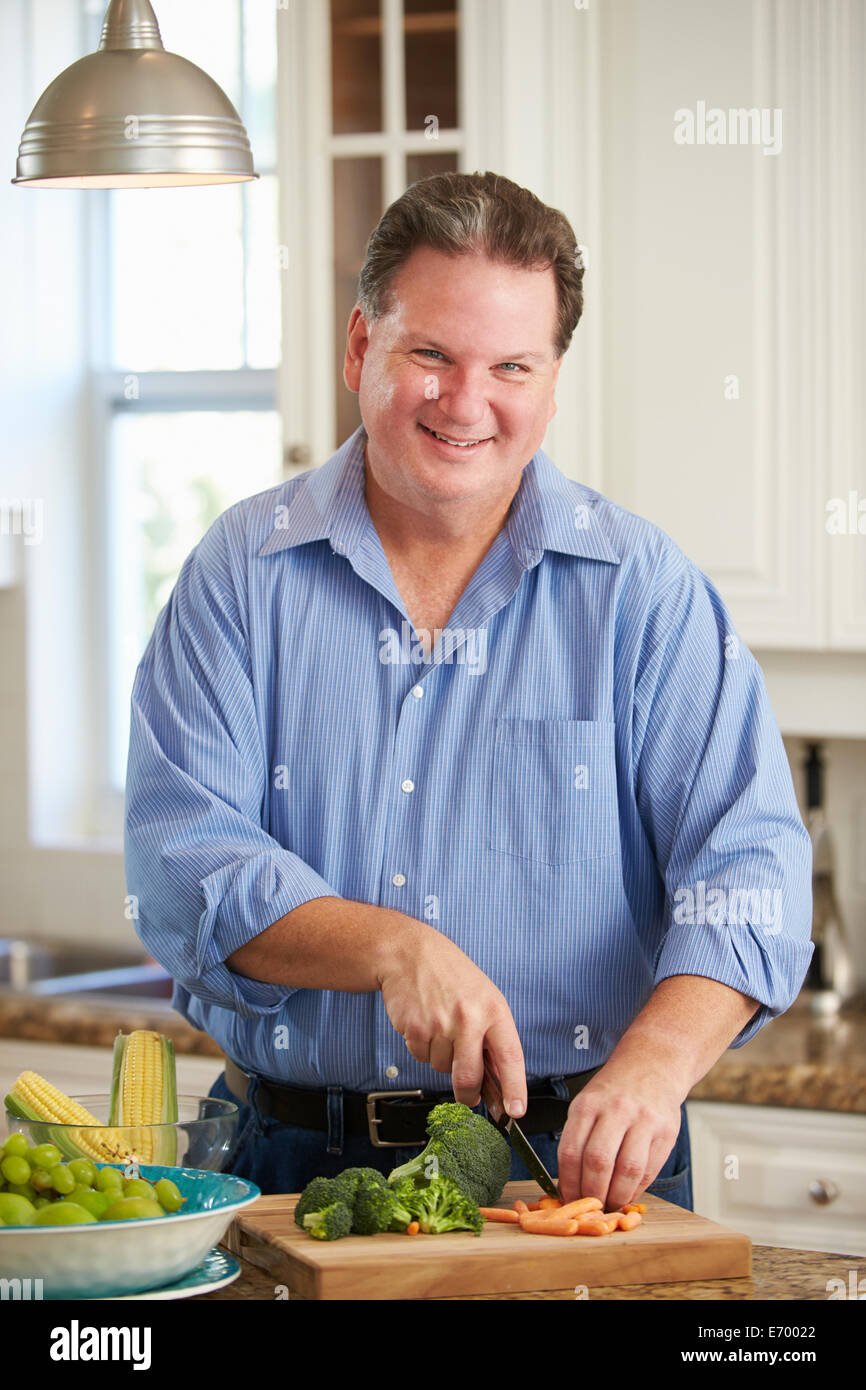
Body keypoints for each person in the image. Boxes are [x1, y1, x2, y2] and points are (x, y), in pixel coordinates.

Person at [124, 171, 813, 1210]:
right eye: (430, 355)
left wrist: (655, 1064)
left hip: (572, 1169)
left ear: (549, 382)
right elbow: (180, 861)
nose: (465, 402)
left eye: (509, 366)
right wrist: (392, 948)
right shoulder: (241, 573)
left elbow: (750, 867)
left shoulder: (642, 593)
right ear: (361, 348)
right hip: (293, 1167)